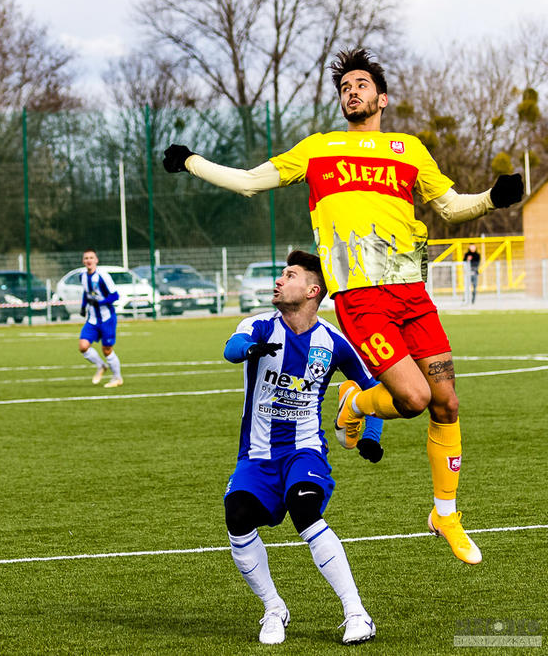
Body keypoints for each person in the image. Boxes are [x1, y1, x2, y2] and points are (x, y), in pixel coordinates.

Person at [163, 46, 524, 566]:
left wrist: (493, 197)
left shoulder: (409, 150)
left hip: (412, 292)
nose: (351, 91)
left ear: (381, 96)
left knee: (447, 404)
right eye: (344, 87)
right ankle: (354, 402)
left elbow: (449, 206)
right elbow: (248, 182)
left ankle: (445, 513)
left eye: (360, 84)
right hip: (361, 298)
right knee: (415, 399)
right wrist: (192, 162)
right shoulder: (318, 148)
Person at [224, 250, 383, 646]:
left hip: (304, 451)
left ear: (312, 290)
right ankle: (274, 607)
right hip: (257, 456)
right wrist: (248, 350)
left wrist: (371, 435)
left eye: (289, 274)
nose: (279, 280)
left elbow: (376, 391)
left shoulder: (333, 341)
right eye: (281, 274)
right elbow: (232, 347)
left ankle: (356, 613)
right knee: (237, 515)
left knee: (304, 507)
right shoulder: (259, 325)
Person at [78, 249, 123, 388]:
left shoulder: (103, 276)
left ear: (96, 260)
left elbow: (115, 296)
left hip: (106, 318)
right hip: (92, 318)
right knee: (83, 346)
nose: (89, 260)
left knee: (107, 350)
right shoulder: (82, 276)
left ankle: (117, 378)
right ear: (83, 261)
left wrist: (100, 302)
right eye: (86, 258)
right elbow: (86, 293)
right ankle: (101, 366)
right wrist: (83, 306)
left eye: (91, 257)